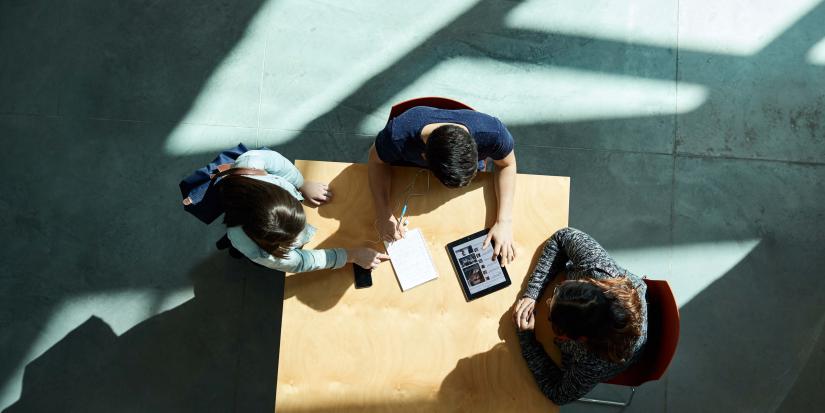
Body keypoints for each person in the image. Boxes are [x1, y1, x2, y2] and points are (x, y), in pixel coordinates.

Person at [512, 227, 648, 405]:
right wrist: (532, 292)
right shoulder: (597, 268)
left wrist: (527, 338)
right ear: (585, 282)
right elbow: (563, 237)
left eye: (552, 319)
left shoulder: (594, 363)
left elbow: (557, 394)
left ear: (578, 338)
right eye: (559, 290)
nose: (547, 302)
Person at [368, 105, 518, 264]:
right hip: (410, 179)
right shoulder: (397, 136)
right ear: (424, 157)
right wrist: (383, 213)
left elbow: (507, 164)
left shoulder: (493, 133)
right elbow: (376, 161)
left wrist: (504, 221)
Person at [219, 149, 388, 273]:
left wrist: (301, 184)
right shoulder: (251, 247)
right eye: (289, 243)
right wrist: (350, 255)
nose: (297, 239)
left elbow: (282, 166)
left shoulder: (252, 161)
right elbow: (299, 262)